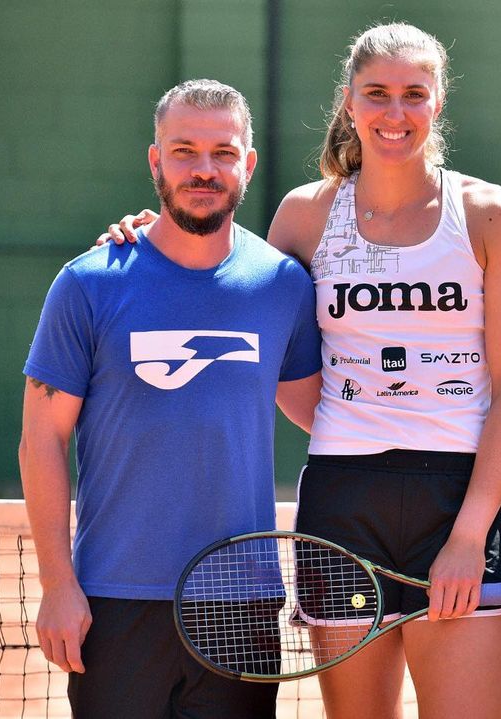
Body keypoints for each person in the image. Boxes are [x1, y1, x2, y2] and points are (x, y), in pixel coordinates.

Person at [101, 23, 501, 719]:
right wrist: (139, 235)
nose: (395, 113)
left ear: (438, 101)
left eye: (414, 95)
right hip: (342, 504)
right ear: (349, 101)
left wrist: (467, 534)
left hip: (457, 501)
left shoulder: (489, 215)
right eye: (377, 94)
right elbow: (229, 292)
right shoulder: (306, 216)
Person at [18, 79, 322, 719]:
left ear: (248, 164)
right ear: (155, 161)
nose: (204, 170)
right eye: (184, 151)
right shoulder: (88, 284)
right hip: (116, 600)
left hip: (241, 605)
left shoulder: (283, 286)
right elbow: (42, 439)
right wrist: (56, 585)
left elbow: (329, 415)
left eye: (223, 152)